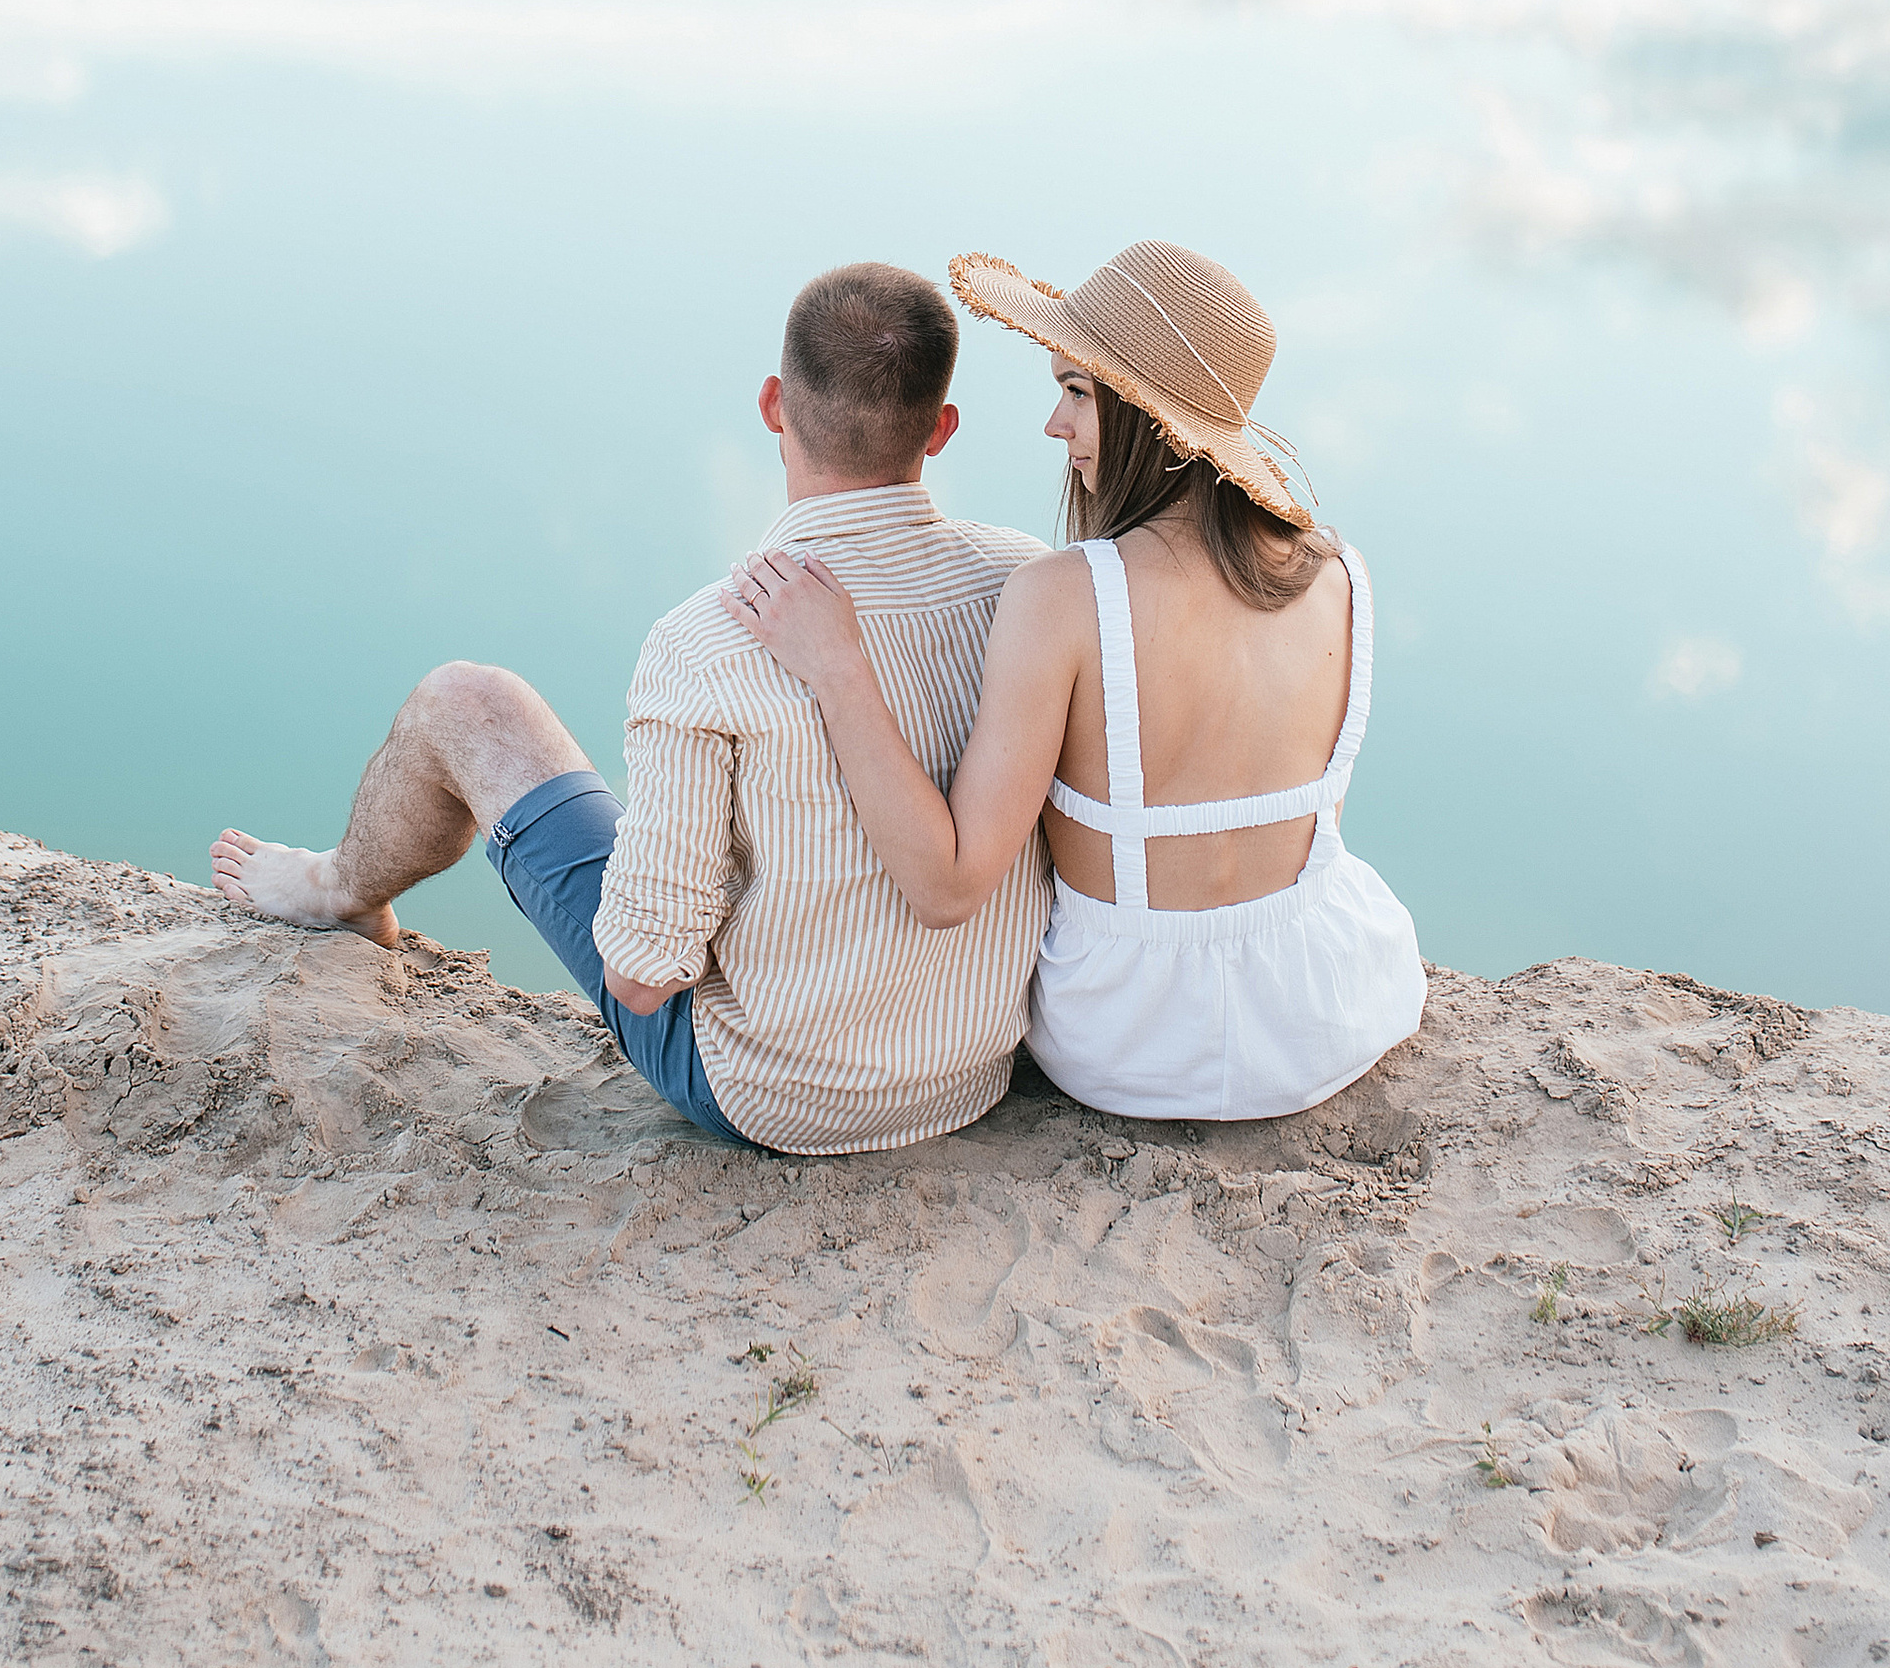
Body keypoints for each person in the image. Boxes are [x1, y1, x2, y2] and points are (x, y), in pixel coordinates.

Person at [212, 262, 1051, 1155]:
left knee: (468, 701)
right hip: (972, 1070)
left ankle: (336, 891)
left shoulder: (711, 640)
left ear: (773, 404)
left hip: (778, 1095)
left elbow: (644, 979)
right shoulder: (1024, 586)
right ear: (943, 428)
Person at [721, 239, 1425, 1125]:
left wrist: (837, 665)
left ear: (1145, 417)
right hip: (1330, 1007)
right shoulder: (1341, 574)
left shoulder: (1065, 599)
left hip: (1134, 1045)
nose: (1055, 425)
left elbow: (948, 886)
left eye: (1077, 394)